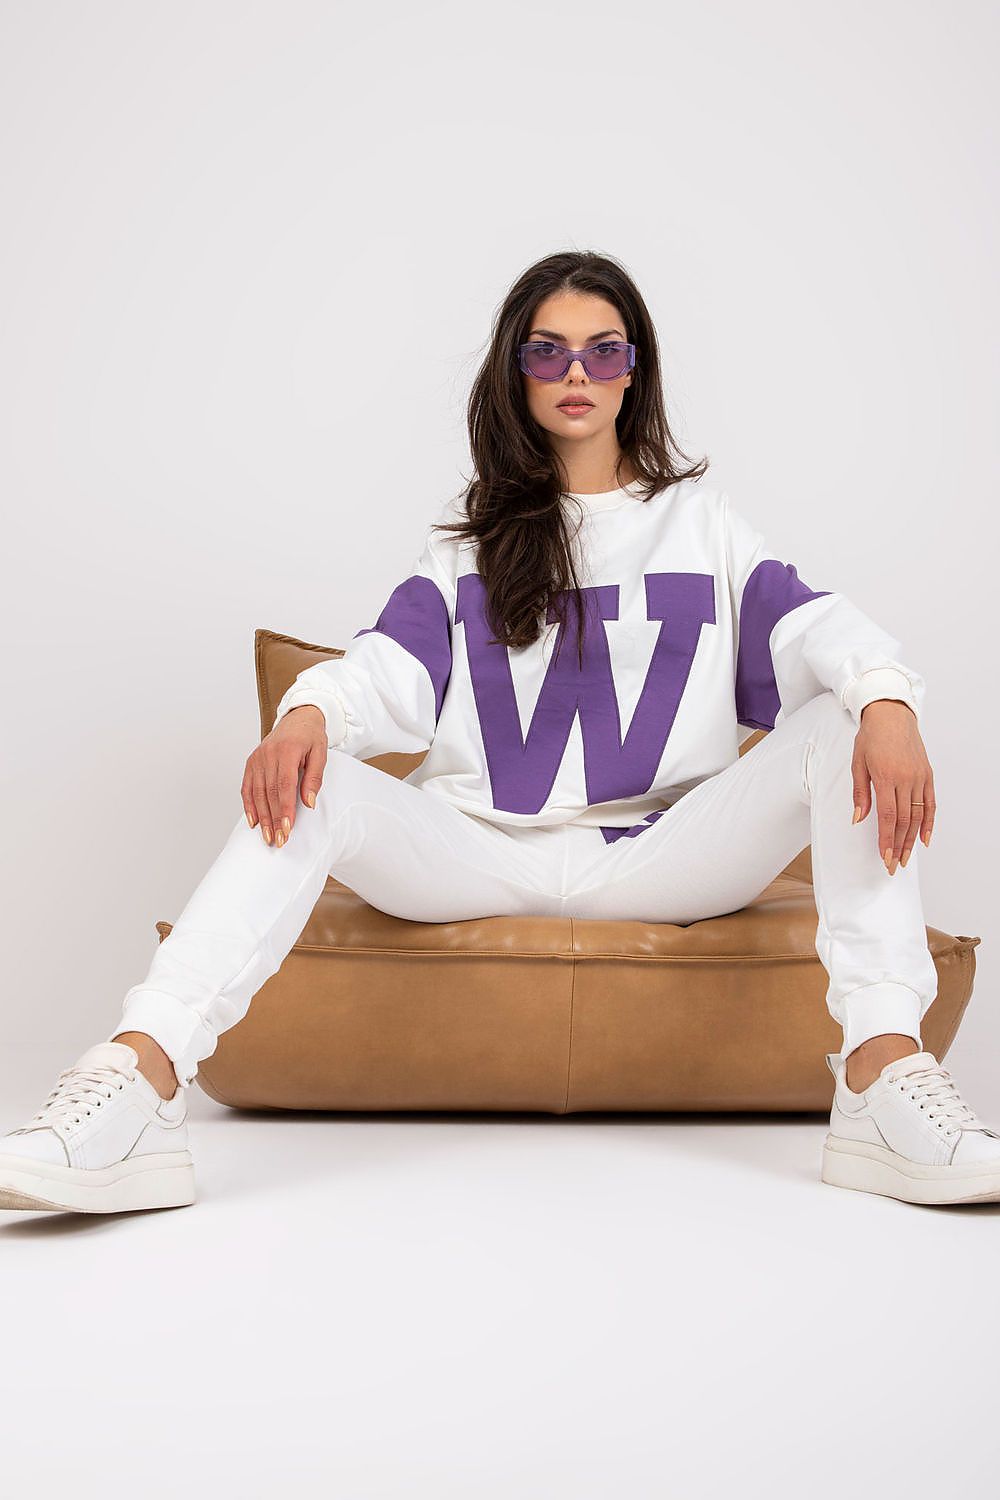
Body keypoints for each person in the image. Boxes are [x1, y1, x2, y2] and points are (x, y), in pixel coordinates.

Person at [3, 249, 998, 1217]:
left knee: (850, 714)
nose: (576, 373)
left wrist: (886, 700)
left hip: (661, 855)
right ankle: (137, 1083)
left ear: (634, 371)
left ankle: (879, 1078)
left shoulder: (703, 526)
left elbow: (816, 625)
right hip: (473, 853)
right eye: (548, 351)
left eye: (603, 351)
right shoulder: (472, 539)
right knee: (319, 779)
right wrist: (311, 711)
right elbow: (386, 663)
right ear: (516, 373)